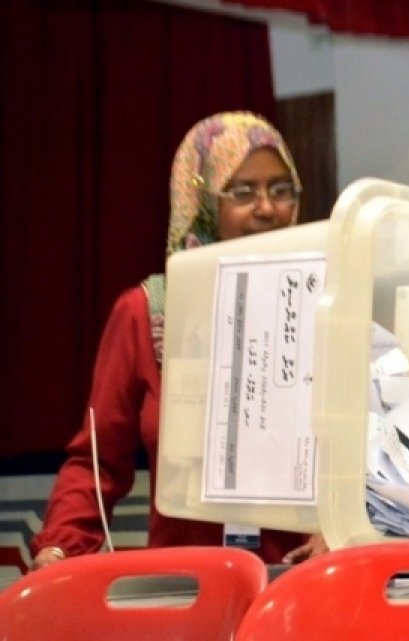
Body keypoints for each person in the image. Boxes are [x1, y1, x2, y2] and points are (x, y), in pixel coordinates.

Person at [31, 111, 327, 569]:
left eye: (282, 190)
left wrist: (342, 530)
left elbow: (372, 454)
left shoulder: (328, 302)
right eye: (243, 192)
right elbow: (97, 463)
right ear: (202, 200)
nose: (268, 208)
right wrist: (61, 545)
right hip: (188, 587)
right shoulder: (147, 313)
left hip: (300, 586)